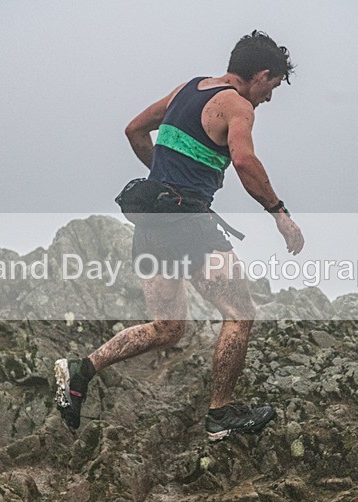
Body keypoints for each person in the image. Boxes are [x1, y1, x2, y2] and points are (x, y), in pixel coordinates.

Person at [54, 30, 305, 442]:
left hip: (151, 223)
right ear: (261, 75)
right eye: (272, 86)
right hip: (188, 223)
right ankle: (220, 415)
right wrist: (280, 213)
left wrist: (164, 181)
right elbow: (244, 161)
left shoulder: (188, 89)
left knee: (167, 327)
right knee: (240, 314)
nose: (269, 97)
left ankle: (81, 370)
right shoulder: (237, 105)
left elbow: (134, 130)